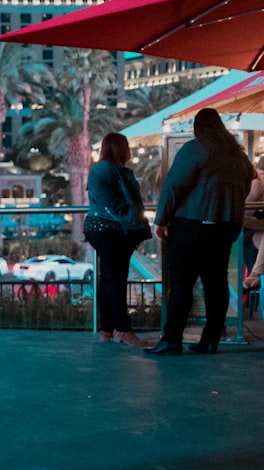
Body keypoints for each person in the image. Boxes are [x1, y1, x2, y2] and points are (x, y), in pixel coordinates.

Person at [146, 108, 255, 356]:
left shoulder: (197, 148)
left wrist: (161, 219)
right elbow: (248, 182)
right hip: (227, 226)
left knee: (182, 283)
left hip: (194, 224)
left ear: (198, 128)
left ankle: (172, 340)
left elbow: (174, 184)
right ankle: (210, 341)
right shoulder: (236, 154)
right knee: (216, 282)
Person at [83, 133, 149, 348]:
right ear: (122, 149)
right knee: (116, 280)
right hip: (111, 230)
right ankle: (123, 330)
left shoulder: (104, 170)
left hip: (104, 229)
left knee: (108, 279)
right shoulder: (108, 171)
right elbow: (113, 203)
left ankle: (107, 329)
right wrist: (134, 220)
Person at [243, 156, 264, 290]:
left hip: (251, 228)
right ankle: (255, 275)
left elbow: (244, 207)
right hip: (253, 229)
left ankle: (255, 275)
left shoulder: (255, 183)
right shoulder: (256, 183)